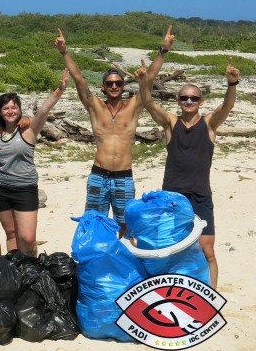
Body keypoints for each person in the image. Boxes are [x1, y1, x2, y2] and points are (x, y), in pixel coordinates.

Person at [56, 26, 174, 235]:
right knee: (94, 223)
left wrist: (162, 51)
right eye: (109, 84)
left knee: (126, 225)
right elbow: (80, 79)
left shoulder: (133, 106)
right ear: (103, 87)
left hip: (123, 176)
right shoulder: (95, 107)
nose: (114, 86)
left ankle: (123, 263)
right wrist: (65, 52)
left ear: (123, 86)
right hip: (98, 175)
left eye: (118, 83)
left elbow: (150, 78)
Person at [138, 56, 238, 288]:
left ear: (201, 102)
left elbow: (227, 106)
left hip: (200, 196)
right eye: (184, 98)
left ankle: (211, 298)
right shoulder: (171, 123)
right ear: (178, 100)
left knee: (207, 251)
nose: (189, 101)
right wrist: (144, 84)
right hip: (172, 198)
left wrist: (232, 84)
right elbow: (150, 104)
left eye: (194, 98)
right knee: (170, 248)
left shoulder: (210, 124)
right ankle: (171, 291)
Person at [0, 69, 68, 256]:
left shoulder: (29, 129)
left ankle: (33, 269)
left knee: (27, 238)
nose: (10, 111)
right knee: (10, 234)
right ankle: (15, 270)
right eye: (6, 108)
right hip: (1, 189)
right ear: (0, 112)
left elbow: (43, 110)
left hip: (25, 189)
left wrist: (59, 89)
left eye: (14, 107)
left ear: (19, 109)